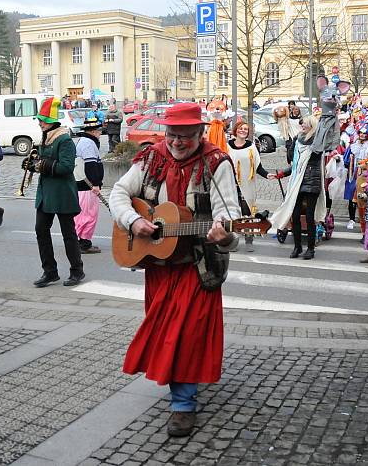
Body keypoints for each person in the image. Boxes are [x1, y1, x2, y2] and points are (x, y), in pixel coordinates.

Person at [109, 102, 240, 438]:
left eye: (185, 136)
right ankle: (178, 384)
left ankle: (183, 404)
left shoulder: (216, 162)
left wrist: (224, 233)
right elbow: (119, 192)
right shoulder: (151, 157)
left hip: (197, 266)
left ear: (200, 133)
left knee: (188, 333)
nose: (177, 142)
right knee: (166, 332)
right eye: (172, 135)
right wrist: (133, 219)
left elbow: (230, 215)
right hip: (159, 265)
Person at [24, 97, 85, 288]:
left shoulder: (64, 139)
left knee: (69, 234)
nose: (39, 123)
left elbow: (66, 167)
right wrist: (31, 166)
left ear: (50, 121)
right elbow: (42, 163)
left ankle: (77, 270)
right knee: (40, 231)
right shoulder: (44, 137)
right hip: (45, 194)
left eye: (42, 120)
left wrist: (43, 165)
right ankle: (50, 272)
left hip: (62, 194)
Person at [269, 115, 327, 260]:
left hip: (312, 182)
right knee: (294, 216)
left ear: (312, 126)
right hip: (297, 182)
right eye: (302, 123)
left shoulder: (316, 142)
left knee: (309, 216)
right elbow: (296, 164)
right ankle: (297, 246)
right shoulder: (298, 139)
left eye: (305, 123)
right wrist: (283, 173)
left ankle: (311, 249)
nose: (302, 125)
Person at [227, 121, 269, 252]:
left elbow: (257, 166)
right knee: (231, 214)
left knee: (247, 213)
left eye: (246, 129)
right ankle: (232, 241)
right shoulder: (227, 146)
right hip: (230, 184)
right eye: (241, 128)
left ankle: (248, 239)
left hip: (246, 184)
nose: (243, 131)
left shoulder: (251, 147)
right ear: (235, 130)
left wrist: (267, 175)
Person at [74, 118, 105, 254]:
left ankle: (79, 241)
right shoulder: (88, 144)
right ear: (92, 131)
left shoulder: (84, 141)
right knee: (88, 214)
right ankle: (84, 243)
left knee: (82, 214)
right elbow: (91, 165)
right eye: (99, 130)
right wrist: (96, 184)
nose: (100, 133)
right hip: (87, 186)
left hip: (83, 185)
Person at [343, 124, 368, 230]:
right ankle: (351, 219)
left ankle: (365, 220)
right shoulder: (352, 146)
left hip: (366, 174)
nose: (362, 135)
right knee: (352, 196)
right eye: (360, 133)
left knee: (365, 196)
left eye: (364, 134)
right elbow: (346, 161)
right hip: (353, 173)